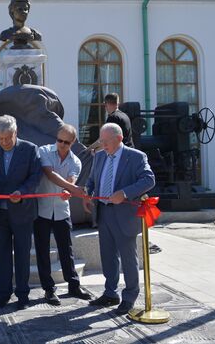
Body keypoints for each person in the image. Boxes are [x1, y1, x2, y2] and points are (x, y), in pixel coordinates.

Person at [83, 123, 155, 315]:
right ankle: (110, 293)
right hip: (104, 213)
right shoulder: (99, 156)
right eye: (101, 141)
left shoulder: (136, 157)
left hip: (124, 215)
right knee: (107, 256)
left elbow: (149, 180)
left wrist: (124, 193)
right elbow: (91, 181)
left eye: (106, 141)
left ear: (119, 139)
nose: (103, 145)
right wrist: (87, 193)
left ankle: (130, 297)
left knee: (128, 258)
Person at [0, 115, 41, 310]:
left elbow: (35, 177)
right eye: (0, 138)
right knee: (1, 255)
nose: (4, 142)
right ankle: (3, 293)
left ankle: (23, 294)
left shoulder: (30, 149)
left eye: (8, 138)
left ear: (16, 133)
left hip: (22, 212)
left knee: (23, 255)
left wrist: (22, 192)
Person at [34, 124, 92, 306]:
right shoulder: (44, 151)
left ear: (73, 142)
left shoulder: (76, 161)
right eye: (59, 140)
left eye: (66, 142)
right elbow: (49, 174)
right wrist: (72, 188)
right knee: (42, 250)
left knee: (66, 250)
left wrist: (69, 187)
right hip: (42, 210)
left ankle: (73, 285)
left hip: (61, 210)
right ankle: (49, 289)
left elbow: (72, 177)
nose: (62, 144)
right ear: (56, 137)